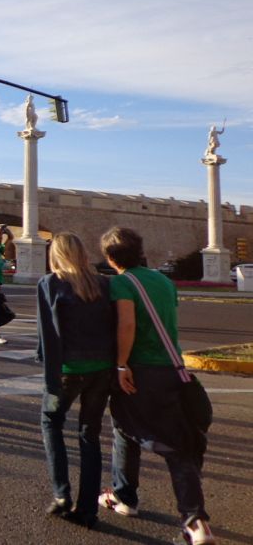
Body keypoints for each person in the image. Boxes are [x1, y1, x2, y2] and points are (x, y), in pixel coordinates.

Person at [99, 227, 215, 545]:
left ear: (110, 257)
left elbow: (127, 324)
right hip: (172, 369)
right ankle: (125, 496)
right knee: (125, 429)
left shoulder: (122, 283)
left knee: (171, 446)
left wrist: (121, 364)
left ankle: (194, 520)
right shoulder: (164, 282)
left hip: (140, 371)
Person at [36, 232, 114, 529]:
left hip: (68, 369)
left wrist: (50, 374)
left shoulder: (50, 283)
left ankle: (61, 493)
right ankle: (88, 509)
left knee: (50, 422)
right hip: (102, 369)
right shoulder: (103, 283)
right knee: (89, 435)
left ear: (55, 254)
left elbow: (48, 332)